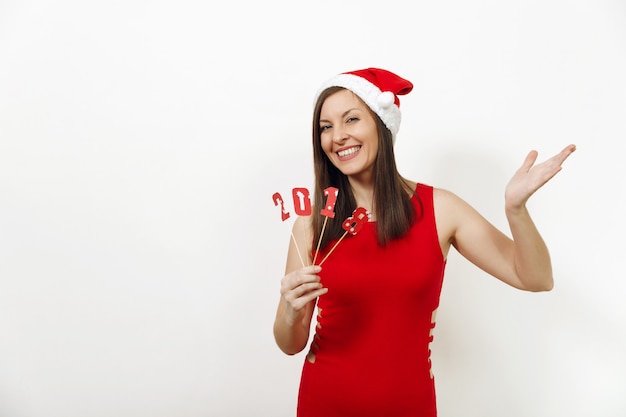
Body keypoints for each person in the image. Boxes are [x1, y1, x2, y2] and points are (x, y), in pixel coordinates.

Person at [272, 67, 576, 417]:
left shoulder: (440, 209)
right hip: (325, 402)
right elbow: (289, 344)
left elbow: (536, 278)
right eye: (326, 127)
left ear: (381, 124)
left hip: (409, 406)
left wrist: (516, 210)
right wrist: (291, 312)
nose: (337, 136)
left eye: (351, 119)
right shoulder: (312, 226)